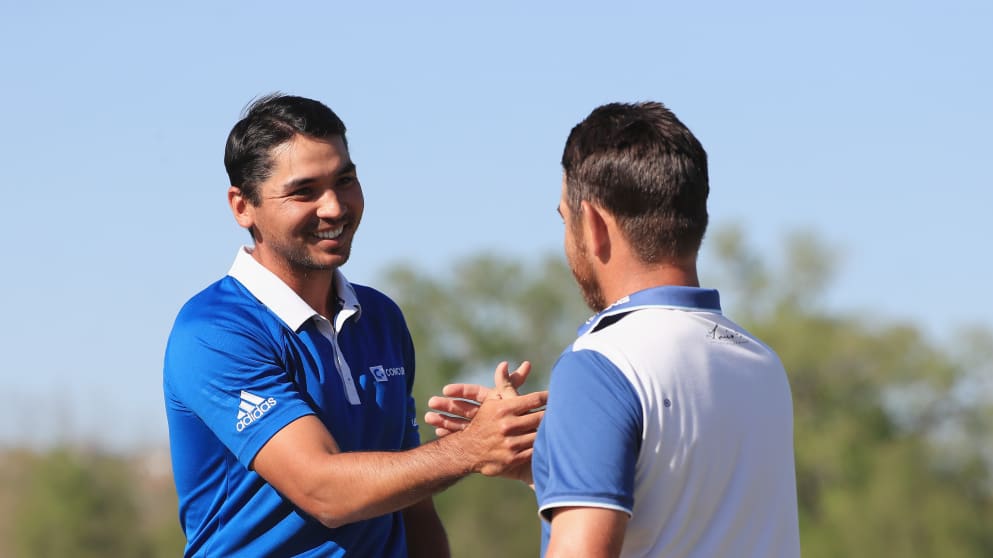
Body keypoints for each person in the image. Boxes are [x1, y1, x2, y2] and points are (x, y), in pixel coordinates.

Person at [163, 93, 546, 557]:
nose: (334, 207)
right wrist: (472, 447)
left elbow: (413, 510)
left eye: (345, 180)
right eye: (304, 191)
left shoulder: (380, 317)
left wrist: (496, 436)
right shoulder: (215, 330)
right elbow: (324, 490)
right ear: (242, 206)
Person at [426, 101, 801, 557]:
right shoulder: (761, 363)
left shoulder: (602, 364)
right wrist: (550, 464)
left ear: (596, 226)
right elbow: (683, 518)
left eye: (567, 220)